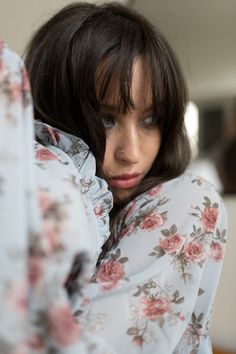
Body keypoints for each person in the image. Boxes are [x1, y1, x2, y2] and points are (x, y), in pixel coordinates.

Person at [2, 2, 226, 353]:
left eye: (150, 119)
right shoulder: (51, 176)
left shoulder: (181, 199)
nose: (131, 153)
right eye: (107, 119)